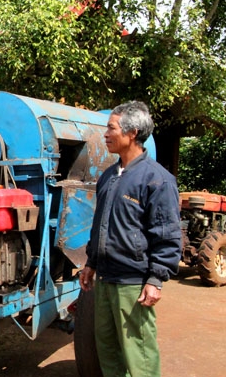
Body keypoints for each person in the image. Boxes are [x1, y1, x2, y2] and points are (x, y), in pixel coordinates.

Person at [79, 101, 182, 377]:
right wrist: (91, 262)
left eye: (111, 128)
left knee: (140, 356)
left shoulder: (157, 179)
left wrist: (155, 279)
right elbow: (99, 225)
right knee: (108, 353)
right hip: (106, 279)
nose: (105, 134)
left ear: (132, 132)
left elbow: (167, 234)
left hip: (133, 284)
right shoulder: (109, 177)